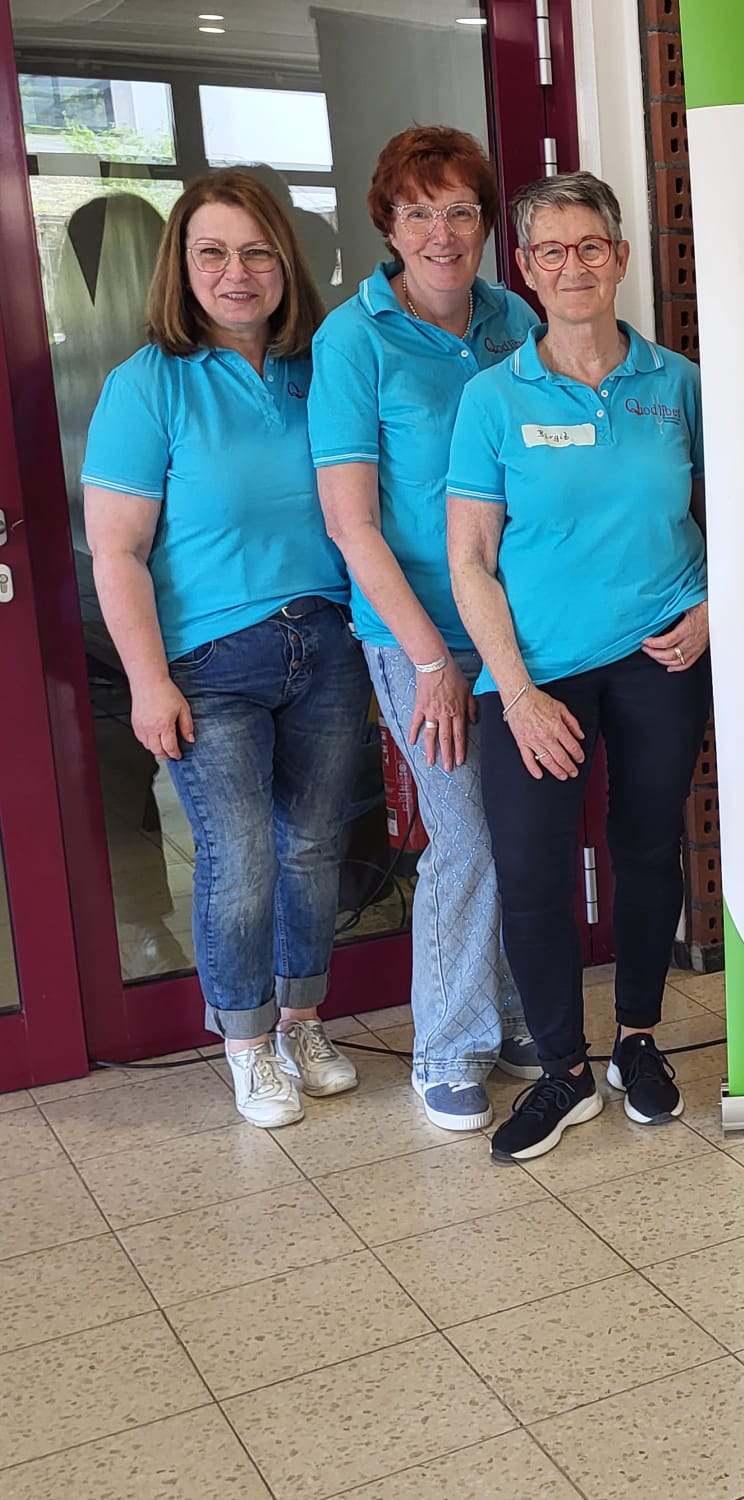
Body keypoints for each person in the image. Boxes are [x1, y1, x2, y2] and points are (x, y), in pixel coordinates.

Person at [82, 170, 368, 1127]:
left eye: (256, 251)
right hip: (209, 664)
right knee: (239, 856)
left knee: (314, 847)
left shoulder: (321, 369)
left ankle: (302, 1022)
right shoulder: (148, 384)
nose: (236, 272)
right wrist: (146, 681)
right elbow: (118, 552)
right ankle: (246, 1045)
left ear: (286, 262)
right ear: (182, 265)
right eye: (212, 252)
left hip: (326, 641)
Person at [447, 171, 710, 1162]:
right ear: (525, 267)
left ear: (620, 257)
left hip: (660, 656)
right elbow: (471, 559)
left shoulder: (677, 384)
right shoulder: (492, 399)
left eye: (589, 247)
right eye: (551, 251)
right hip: (536, 675)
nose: (572, 267)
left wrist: (713, 611)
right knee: (530, 871)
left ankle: (637, 1038)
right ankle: (561, 1069)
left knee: (646, 850)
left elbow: (739, 512)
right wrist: (516, 692)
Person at [311, 125, 542, 1131]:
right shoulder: (352, 341)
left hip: (517, 627)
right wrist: (431, 661)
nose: (440, 233)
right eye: (417, 213)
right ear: (388, 225)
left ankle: (510, 1015)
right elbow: (351, 524)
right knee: (465, 836)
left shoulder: (512, 318)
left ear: (485, 223)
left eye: (458, 211)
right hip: (417, 634)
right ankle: (448, 1047)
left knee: (518, 829)